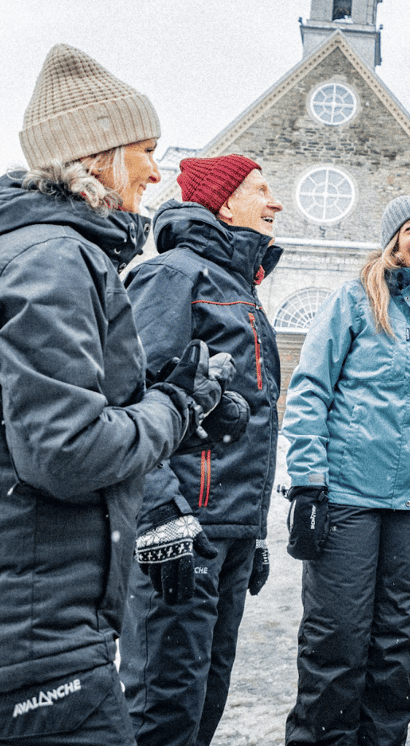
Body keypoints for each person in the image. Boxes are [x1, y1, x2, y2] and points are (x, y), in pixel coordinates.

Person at [0, 44, 243, 745]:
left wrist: (172, 400)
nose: (156, 169)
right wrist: (172, 410)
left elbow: (36, 417)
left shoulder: (32, 253)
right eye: (144, 150)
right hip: (31, 640)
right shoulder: (55, 259)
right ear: (95, 158)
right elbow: (67, 452)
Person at [281, 194, 410, 746]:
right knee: (336, 644)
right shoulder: (354, 301)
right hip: (348, 499)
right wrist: (307, 484)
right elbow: (309, 391)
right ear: (392, 241)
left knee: (396, 649)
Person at [119, 154, 286, 746]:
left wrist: (253, 530)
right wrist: (159, 515)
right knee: (162, 706)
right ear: (224, 204)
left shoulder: (238, 286)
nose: (276, 203)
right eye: (261, 190)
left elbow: (248, 422)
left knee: (204, 699)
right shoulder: (173, 275)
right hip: (182, 529)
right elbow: (132, 398)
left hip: (228, 532)